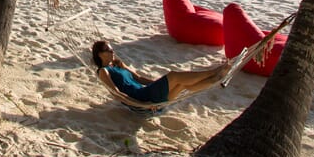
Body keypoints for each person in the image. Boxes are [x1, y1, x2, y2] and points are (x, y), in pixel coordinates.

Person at [91, 40, 230, 108]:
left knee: (182, 85)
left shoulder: (118, 64)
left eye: (112, 49)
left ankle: (215, 79)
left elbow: (139, 78)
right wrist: (140, 105)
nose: (112, 52)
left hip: (147, 91)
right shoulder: (103, 71)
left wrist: (157, 83)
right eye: (108, 50)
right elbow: (116, 93)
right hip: (142, 97)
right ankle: (214, 71)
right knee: (174, 75)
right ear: (100, 54)